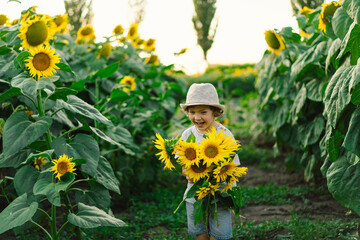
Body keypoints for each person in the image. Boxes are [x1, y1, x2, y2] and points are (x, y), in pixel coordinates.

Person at [179, 83, 240, 240]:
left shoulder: (225, 135)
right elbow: (183, 165)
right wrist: (188, 173)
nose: (197, 117)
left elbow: (232, 166)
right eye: (192, 112)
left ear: (215, 112)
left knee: (218, 234)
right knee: (200, 231)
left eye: (203, 112)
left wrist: (215, 173)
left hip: (220, 193)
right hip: (195, 194)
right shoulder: (187, 135)